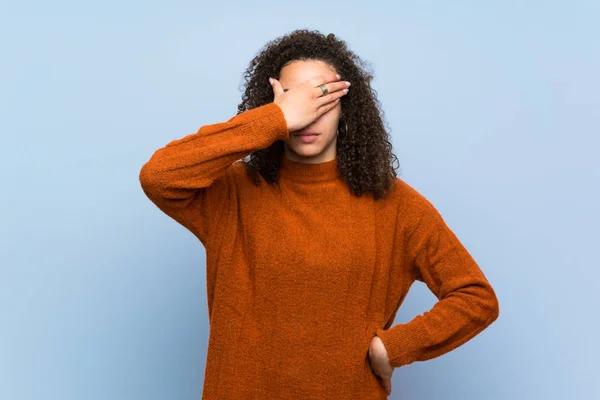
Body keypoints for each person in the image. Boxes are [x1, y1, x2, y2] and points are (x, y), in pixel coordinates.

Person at [139, 29, 499, 399]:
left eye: (323, 97)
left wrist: (392, 348)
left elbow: (475, 297)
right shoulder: (232, 194)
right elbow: (159, 176)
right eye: (296, 99)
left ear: (347, 108)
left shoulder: (395, 206)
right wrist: (273, 120)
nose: (308, 114)